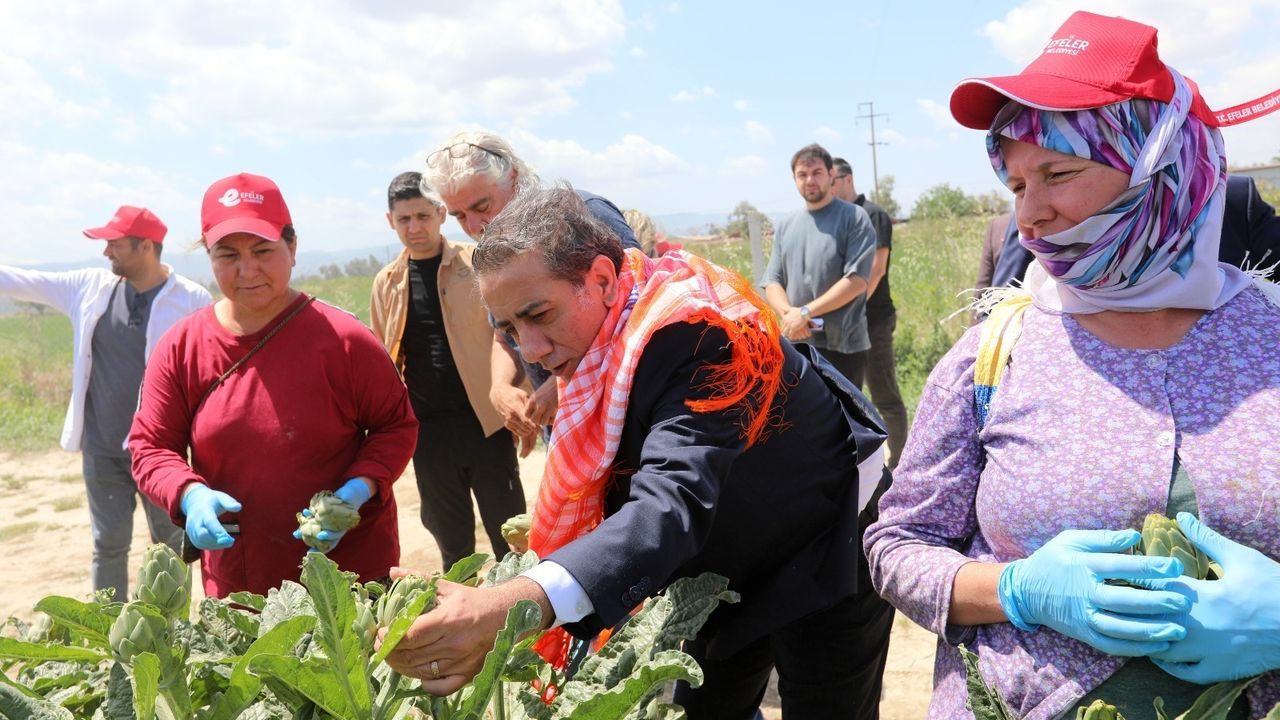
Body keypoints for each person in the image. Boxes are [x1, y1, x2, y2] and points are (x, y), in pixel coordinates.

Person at [866, 11, 1280, 719]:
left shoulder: (1268, 339)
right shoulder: (993, 354)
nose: (1031, 218)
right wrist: (1017, 589)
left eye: (1057, 173)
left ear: (1164, 165)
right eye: (1017, 186)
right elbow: (898, 544)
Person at [384, 186, 890, 720]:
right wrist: (495, 599)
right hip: (718, 561)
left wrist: (505, 608)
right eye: (510, 329)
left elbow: (666, 506)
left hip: (824, 540)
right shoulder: (594, 347)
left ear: (602, 280)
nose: (529, 348)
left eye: (538, 314)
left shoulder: (696, 334)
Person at [129, 172, 417, 597]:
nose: (248, 271)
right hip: (241, 586)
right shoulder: (181, 347)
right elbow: (150, 446)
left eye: (263, 250)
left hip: (349, 578)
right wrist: (189, 495)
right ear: (209, 257)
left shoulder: (344, 339)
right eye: (227, 255)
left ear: (293, 247)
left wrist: (357, 490)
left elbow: (396, 425)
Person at [0, 207, 211, 599]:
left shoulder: (191, 300)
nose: (106, 252)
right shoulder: (90, 287)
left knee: (171, 548)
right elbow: (21, 280)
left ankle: (172, 638)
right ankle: (109, 635)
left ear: (145, 246)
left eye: (114, 244)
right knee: (108, 545)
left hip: (162, 452)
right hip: (102, 449)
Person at [421, 131, 639, 456]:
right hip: (567, 436)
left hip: (625, 424)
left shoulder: (583, 215)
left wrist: (564, 385)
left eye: (482, 206)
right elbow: (503, 336)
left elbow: (641, 308)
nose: (475, 226)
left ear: (514, 177)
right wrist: (500, 388)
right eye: (460, 216)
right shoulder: (496, 250)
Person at [370, 171, 525, 572]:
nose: (414, 227)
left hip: (485, 425)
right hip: (427, 436)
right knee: (453, 548)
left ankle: (526, 627)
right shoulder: (386, 284)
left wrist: (514, 395)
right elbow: (381, 360)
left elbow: (512, 334)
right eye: (404, 219)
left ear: (440, 213)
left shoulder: (477, 264)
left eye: (422, 216)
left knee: (512, 538)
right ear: (391, 222)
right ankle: (466, 631)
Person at [987, 175, 1280, 290]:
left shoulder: (1233, 198)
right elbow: (999, 305)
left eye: (1059, 175)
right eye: (1018, 188)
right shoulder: (1042, 219)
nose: (1030, 211)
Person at [763, 143, 878, 387]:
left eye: (816, 173)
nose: (809, 180)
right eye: (802, 175)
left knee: (846, 422)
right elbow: (772, 281)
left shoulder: (854, 217)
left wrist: (805, 313)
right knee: (803, 421)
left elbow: (856, 281)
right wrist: (791, 316)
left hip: (843, 346)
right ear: (794, 179)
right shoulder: (786, 225)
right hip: (799, 344)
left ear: (831, 175)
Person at [831, 156, 908, 469]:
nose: (826, 188)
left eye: (831, 180)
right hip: (842, 325)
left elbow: (875, 270)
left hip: (872, 319)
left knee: (884, 395)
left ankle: (899, 466)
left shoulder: (872, 214)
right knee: (848, 398)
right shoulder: (837, 218)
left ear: (848, 179)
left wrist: (851, 309)